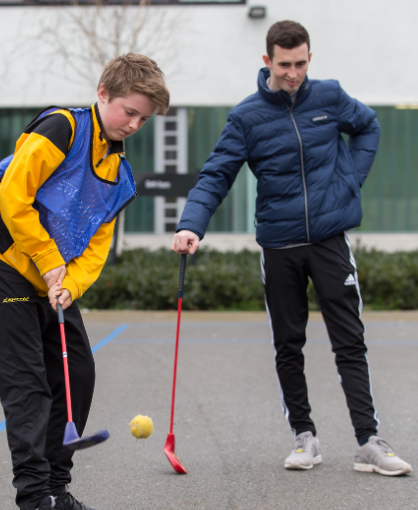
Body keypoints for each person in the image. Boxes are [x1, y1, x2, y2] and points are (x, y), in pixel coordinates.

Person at [172, 21, 412, 476]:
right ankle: (304, 438)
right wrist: (191, 226)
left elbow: (369, 126)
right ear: (267, 62)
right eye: (285, 65)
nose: (295, 73)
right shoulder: (246, 117)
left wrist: (349, 183)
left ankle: (368, 441)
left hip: (329, 240)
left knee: (350, 342)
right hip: (280, 244)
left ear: (309, 58)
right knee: (288, 344)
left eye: (302, 63)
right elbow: (216, 174)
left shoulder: (330, 96)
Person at [0, 53, 169, 510]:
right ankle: (35, 496)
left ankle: (57, 488)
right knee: (29, 385)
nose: (135, 124)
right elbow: (12, 200)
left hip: (52, 277)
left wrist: (70, 284)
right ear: (103, 94)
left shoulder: (118, 176)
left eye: (145, 118)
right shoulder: (62, 129)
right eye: (130, 111)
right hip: (3, 261)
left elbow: (97, 247)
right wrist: (46, 258)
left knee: (77, 372)